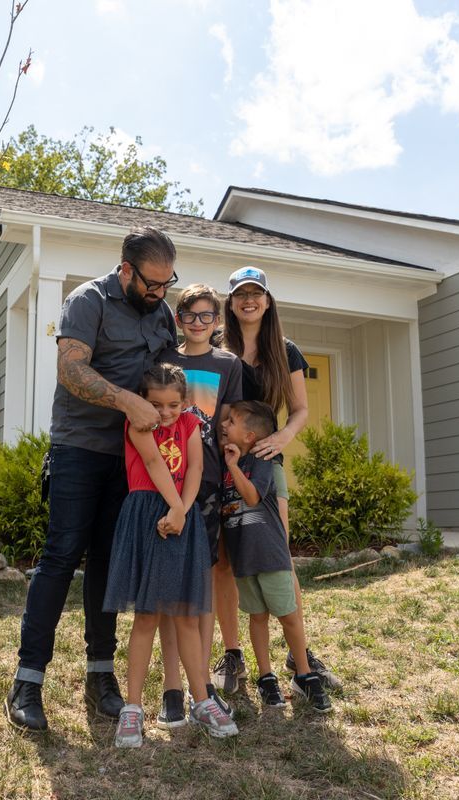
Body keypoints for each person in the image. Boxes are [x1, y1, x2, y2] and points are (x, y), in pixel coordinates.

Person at [6, 227, 179, 733]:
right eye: (151, 283)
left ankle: (100, 676)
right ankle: (27, 680)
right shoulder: (88, 300)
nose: (159, 293)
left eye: (167, 283)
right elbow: (70, 370)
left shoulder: (162, 313)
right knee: (60, 558)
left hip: (131, 458)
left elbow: (172, 376)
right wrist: (126, 400)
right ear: (126, 270)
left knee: (108, 561)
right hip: (79, 449)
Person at [212, 265, 343, 694]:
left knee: (278, 557)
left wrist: (283, 435)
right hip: (224, 464)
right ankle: (233, 655)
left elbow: (300, 408)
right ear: (230, 303)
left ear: (268, 301)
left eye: (257, 293)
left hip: (266, 464)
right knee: (225, 561)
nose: (249, 300)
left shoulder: (285, 351)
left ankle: (298, 652)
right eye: (240, 294)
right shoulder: (217, 346)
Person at [102, 364, 239, 747]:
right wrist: (174, 509)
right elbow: (152, 464)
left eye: (173, 405)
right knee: (147, 616)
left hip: (182, 516)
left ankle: (202, 700)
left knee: (185, 615)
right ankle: (132, 708)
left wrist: (182, 510)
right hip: (148, 514)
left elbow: (195, 468)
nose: (165, 413)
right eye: (156, 404)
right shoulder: (137, 425)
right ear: (143, 400)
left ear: (184, 402)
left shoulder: (191, 426)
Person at [153, 284, 243, 728]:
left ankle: (200, 688)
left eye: (207, 316)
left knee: (202, 589)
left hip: (206, 486)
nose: (197, 323)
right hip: (163, 488)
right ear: (179, 317)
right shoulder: (165, 361)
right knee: (171, 589)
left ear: (217, 321)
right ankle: (172, 687)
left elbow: (229, 425)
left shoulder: (228, 365)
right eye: (189, 315)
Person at [220, 400, 331, 713]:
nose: (224, 425)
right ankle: (266, 676)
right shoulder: (228, 458)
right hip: (243, 558)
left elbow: (253, 496)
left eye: (231, 421)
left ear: (250, 437)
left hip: (269, 554)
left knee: (288, 615)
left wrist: (231, 466)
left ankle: (305, 676)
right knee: (257, 617)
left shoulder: (261, 459)